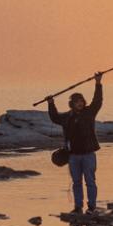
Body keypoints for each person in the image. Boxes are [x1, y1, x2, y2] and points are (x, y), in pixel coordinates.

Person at [47, 73, 103, 215]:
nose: (80, 103)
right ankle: (78, 207)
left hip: (88, 154)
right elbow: (54, 118)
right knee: (76, 182)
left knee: (90, 181)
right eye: (77, 101)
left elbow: (97, 101)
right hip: (73, 156)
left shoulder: (89, 113)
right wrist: (51, 103)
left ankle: (92, 207)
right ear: (72, 104)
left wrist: (98, 83)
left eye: (81, 101)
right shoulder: (67, 117)